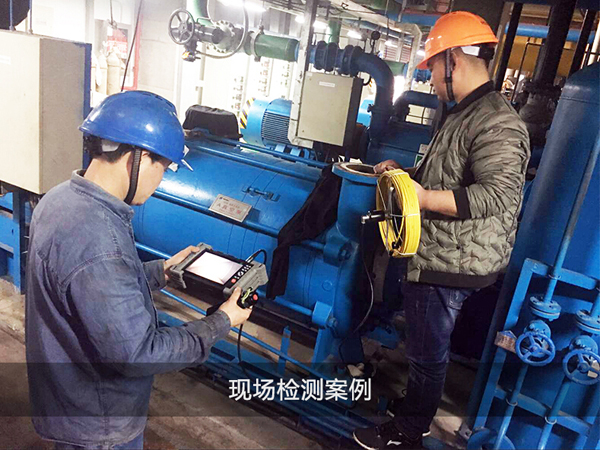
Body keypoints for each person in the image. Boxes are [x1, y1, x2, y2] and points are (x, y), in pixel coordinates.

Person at [25, 91, 252, 449]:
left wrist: (162, 271)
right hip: (101, 425)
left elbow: (87, 290)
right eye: (164, 167)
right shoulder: (100, 239)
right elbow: (138, 354)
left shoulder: (59, 200)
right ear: (141, 157)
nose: (160, 180)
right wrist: (220, 323)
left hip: (68, 404)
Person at [353, 12, 530, 450]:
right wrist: (405, 174)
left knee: (427, 354)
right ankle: (414, 409)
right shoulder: (463, 114)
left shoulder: (497, 121)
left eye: (432, 67)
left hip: (452, 263)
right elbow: (446, 176)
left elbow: (496, 196)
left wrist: (421, 198)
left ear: (453, 60)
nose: (429, 79)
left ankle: (409, 431)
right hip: (440, 253)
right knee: (423, 348)